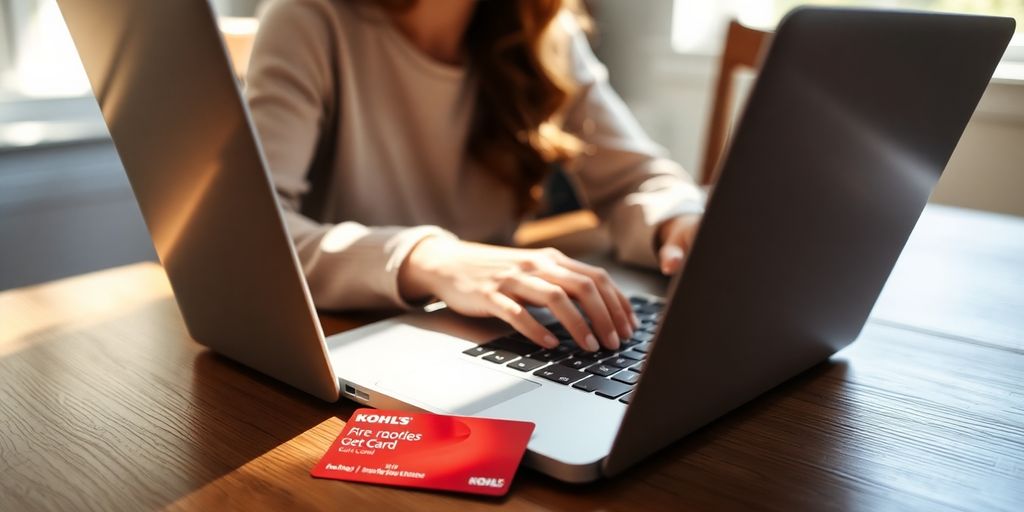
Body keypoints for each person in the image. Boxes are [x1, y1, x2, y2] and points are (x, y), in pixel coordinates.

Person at [245, 0, 705, 354]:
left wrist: (677, 222)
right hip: (341, 341)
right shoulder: (309, 18)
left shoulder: (542, 29)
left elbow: (639, 179)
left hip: (493, 333)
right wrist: (432, 260)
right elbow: (251, 236)